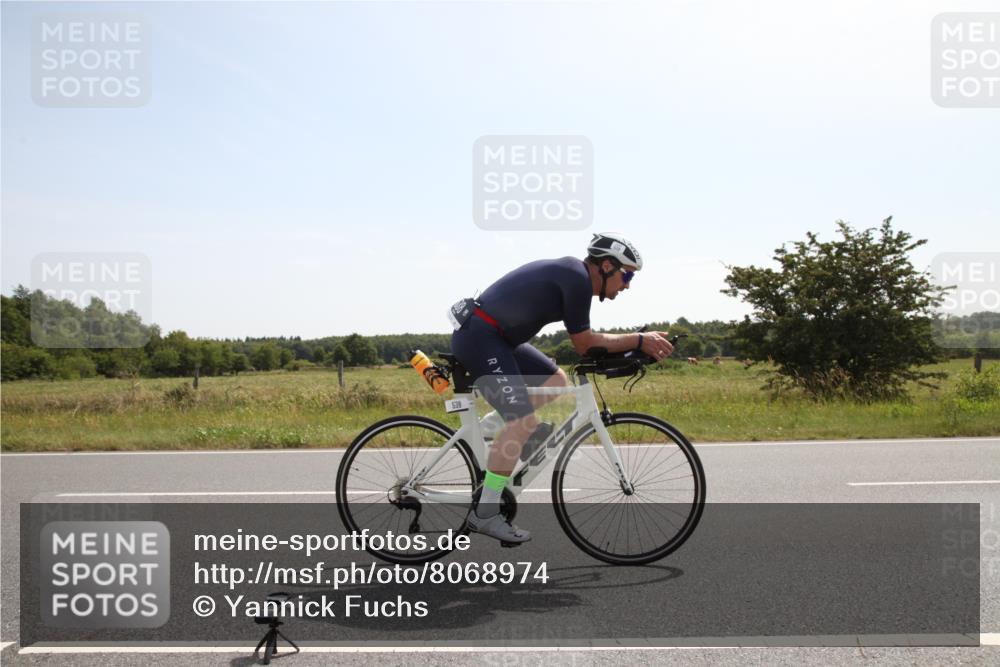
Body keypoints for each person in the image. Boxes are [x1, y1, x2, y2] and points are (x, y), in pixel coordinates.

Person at [450, 233, 675, 543]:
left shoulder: (576, 277)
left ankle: (496, 426)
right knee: (523, 422)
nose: (627, 285)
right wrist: (639, 340)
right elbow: (585, 343)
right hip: (481, 336)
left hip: (498, 338)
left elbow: (590, 342)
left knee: (556, 381)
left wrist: (637, 345)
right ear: (607, 266)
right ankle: (485, 513)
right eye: (626, 275)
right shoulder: (577, 278)